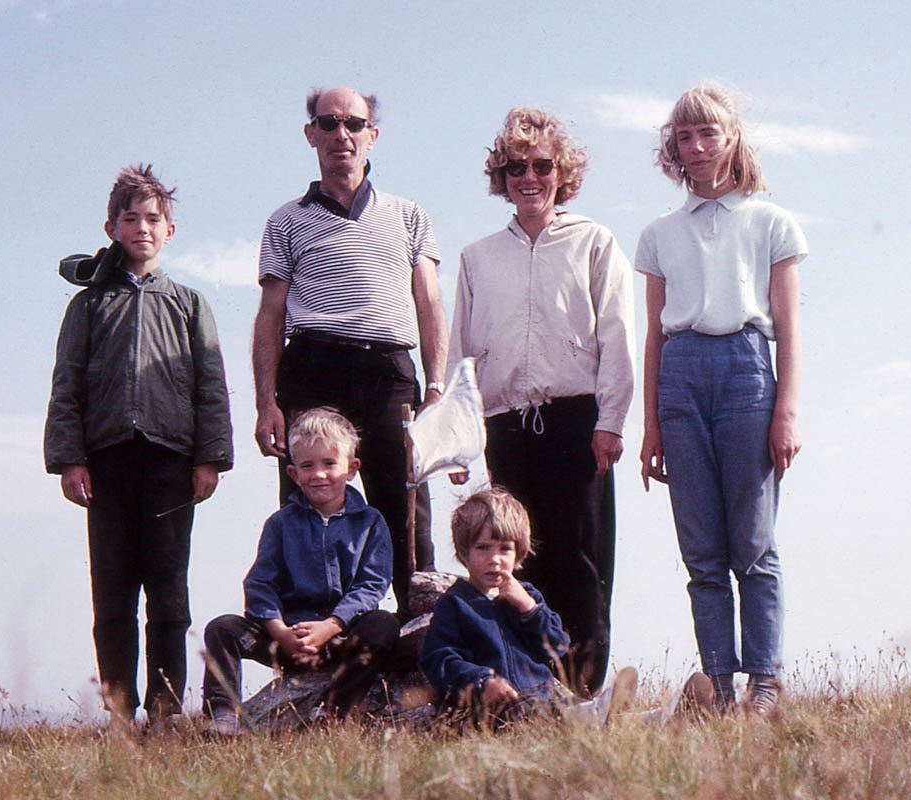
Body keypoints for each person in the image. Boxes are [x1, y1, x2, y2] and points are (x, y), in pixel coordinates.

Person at [447, 108, 636, 695]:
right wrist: (460, 440)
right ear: (501, 178)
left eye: (542, 166)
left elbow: (618, 337)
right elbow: (460, 355)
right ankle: (534, 688)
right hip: (504, 424)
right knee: (512, 559)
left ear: (562, 172)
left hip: (576, 420)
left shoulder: (594, 242)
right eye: (515, 168)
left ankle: (585, 690)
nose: (529, 177)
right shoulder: (477, 258)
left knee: (580, 558)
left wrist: (611, 421)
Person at [636, 83, 808, 715]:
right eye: (685, 137)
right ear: (673, 149)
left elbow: (789, 326)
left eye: (709, 133)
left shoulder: (771, 223)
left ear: (733, 138)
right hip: (680, 377)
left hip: (746, 372)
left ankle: (765, 682)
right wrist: (651, 424)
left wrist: (785, 412)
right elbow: (654, 334)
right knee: (702, 553)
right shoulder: (659, 234)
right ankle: (719, 688)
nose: (698, 147)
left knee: (753, 544)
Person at [44, 164, 233, 727]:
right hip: (105, 461)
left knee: (169, 592)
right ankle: (120, 712)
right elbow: (66, 383)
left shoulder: (190, 304)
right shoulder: (88, 306)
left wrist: (209, 458)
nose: (142, 228)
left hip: (171, 461)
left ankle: (168, 709)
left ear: (169, 231)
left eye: (153, 218)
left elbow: (211, 386)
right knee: (112, 594)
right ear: (112, 228)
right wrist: (70, 459)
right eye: (131, 218)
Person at [252, 86, 448, 618]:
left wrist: (436, 388)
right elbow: (270, 315)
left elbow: (429, 303)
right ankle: (312, 649)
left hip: (389, 374)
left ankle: (419, 643)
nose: (342, 134)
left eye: (354, 124)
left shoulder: (408, 214)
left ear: (372, 135)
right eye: (329, 123)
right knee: (306, 514)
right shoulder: (285, 220)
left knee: (407, 516)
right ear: (311, 133)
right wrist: (266, 402)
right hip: (312, 371)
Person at [202, 407, 400, 737]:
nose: (318, 474)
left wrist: (330, 626)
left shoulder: (371, 523)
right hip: (288, 642)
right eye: (307, 466)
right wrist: (280, 632)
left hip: (341, 638)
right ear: (294, 474)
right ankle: (223, 714)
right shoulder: (281, 524)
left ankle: (332, 710)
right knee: (222, 629)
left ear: (352, 469)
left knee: (384, 624)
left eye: (329, 463)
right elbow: (260, 584)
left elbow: (372, 584)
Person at [420, 488, 639, 728]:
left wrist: (528, 608)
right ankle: (593, 716)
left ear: (518, 552)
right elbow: (439, 658)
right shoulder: (455, 604)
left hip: (542, 698)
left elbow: (558, 646)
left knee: (564, 707)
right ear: (464, 552)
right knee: (542, 714)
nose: (495, 559)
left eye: (505, 548)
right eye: (483, 547)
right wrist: (482, 681)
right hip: (495, 707)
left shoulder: (527, 596)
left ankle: (647, 720)